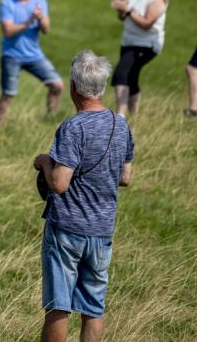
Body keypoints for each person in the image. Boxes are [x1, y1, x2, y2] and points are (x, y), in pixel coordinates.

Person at [31, 51, 133, 342]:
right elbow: (125, 177)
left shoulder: (73, 127)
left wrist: (44, 162)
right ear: (102, 86)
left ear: (74, 87)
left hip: (67, 229)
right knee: (92, 309)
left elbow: (59, 183)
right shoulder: (120, 125)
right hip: (101, 231)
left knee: (59, 306)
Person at [0, 0, 64, 124]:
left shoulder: (39, 1)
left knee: (57, 85)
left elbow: (46, 29)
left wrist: (40, 18)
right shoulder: (7, 3)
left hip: (34, 55)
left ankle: (51, 119)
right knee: (8, 93)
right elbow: (8, 31)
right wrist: (29, 21)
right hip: (11, 55)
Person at [109, 0, 167, 119]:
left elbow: (147, 23)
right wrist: (121, 10)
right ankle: (135, 118)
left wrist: (128, 11)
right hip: (128, 41)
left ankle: (120, 116)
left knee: (121, 74)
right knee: (132, 78)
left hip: (146, 44)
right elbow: (124, 17)